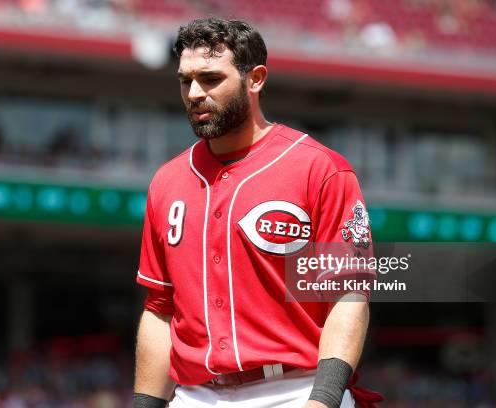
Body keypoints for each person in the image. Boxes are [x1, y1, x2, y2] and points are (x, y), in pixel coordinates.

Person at [133, 17, 382, 408]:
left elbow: (348, 295)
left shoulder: (320, 169)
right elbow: (160, 310)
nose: (195, 93)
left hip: (297, 388)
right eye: (186, 80)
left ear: (256, 79)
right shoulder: (167, 181)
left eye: (211, 79)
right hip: (196, 395)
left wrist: (324, 399)